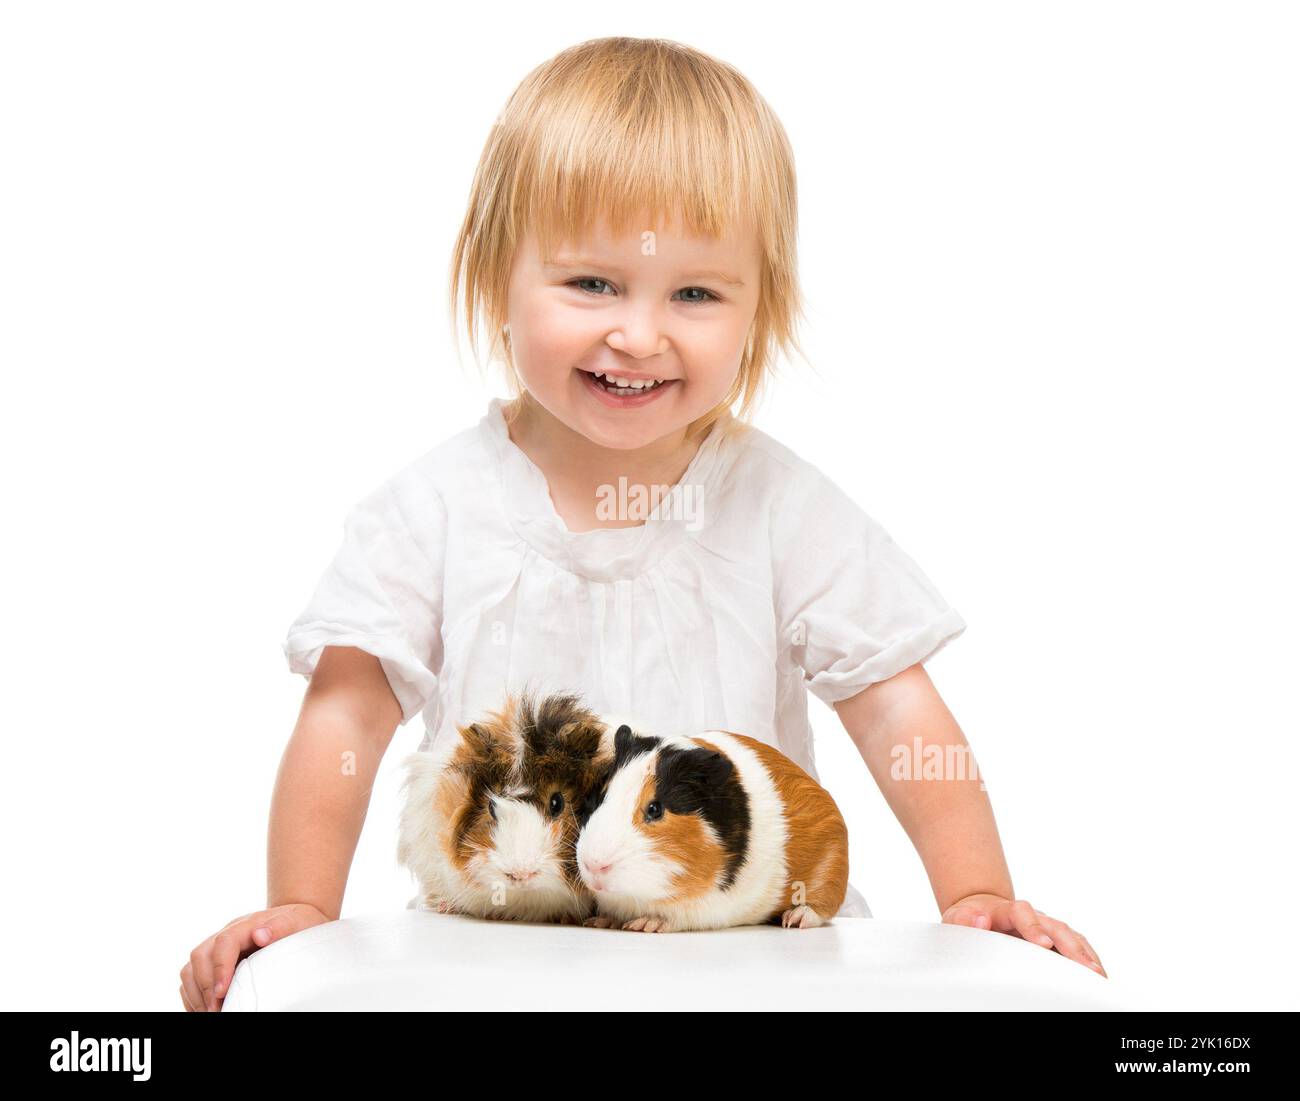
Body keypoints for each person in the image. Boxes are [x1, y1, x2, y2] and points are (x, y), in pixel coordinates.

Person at [180, 35, 1105, 1012]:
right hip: (494, 969)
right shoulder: (435, 507)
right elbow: (346, 713)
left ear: (762, 309)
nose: (639, 333)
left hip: (749, 965)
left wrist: (976, 895)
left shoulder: (779, 507)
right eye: (591, 283)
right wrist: (298, 915)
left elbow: (896, 708)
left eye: (695, 294)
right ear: (497, 276)